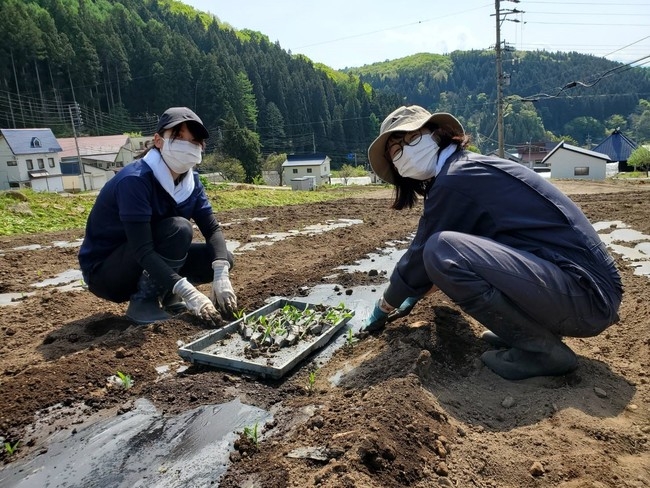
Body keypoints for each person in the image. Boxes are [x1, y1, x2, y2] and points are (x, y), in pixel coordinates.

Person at [364, 105, 622, 380]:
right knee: (444, 251)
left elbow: (421, 256)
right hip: (582, 290)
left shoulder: (455, 179)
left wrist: (385, 305)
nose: (406, 151)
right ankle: (531, 334)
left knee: (442, 249)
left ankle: (540, 351)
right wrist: (416, 288)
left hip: (586, 295)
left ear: (437, 134)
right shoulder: (465, 169)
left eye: (412, 138)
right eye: (396, 151)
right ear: (397, 168)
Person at [78, 107, 237, 326]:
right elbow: (142, 249)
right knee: (179, 229)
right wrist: (190, 292)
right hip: (108, 271)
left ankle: (168, 295)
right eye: (178, 137)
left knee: (222, 257)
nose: (186, 145)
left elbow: (212, 229)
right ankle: (144, 301)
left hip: (143, 259)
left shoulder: (191, 184)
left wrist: (221, 274)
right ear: (158, 140)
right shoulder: (135, 180)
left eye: (193, 141)